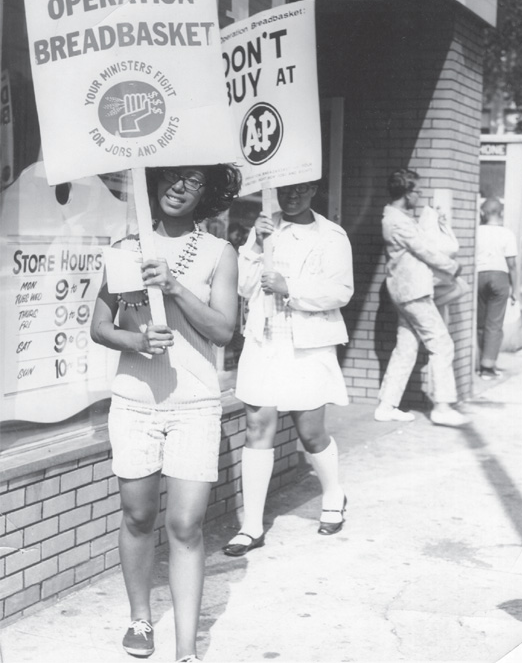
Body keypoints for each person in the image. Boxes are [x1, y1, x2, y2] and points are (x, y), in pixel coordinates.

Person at [91, 164, 241, 663]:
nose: (179, 187)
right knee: (137, 515)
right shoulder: (126, 249)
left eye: (193, 181)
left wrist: (176, 288)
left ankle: (186, 649)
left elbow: (223, 331)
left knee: (185, 525)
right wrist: (135, 339)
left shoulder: (221, 253)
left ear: (207, 193)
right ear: (153, 182)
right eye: (172, 177)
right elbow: (99, 325)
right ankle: (140, 616)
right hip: (134, 402)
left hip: (194, 406)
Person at [222, 181, 353, 557]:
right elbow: (246, 288)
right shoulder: (264, 228)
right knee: (257, 425)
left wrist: (289, 286)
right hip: (265, 341)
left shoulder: (331, 235)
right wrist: (253, 245)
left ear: (314, 189)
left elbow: (341, 291)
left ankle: (333, 491)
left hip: (307, 345)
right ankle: (251, 525)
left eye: (301, 189)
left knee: (310, 433)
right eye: (286, 190)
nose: (292, 196)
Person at [374, 169, 469, 427]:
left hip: (404, 291)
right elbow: (424, 250)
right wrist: (452, 268)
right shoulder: (398, 221)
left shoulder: (396, 217)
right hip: (412, 291)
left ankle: (386, 405)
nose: (419, 196)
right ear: (406, 192)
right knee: (442, 343)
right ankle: (442, 406)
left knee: (406, 348)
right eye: (416, 191)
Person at [476, 197, 518, 379]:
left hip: (478, 275)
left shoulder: (476, 231)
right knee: (494, 324)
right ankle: (488, 367)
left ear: (482, 213)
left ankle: (479, 363)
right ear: (500, 213)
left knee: (479, 323)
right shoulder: (507, 234)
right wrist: (515, 288)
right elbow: (512, 264)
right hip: (499, 276)